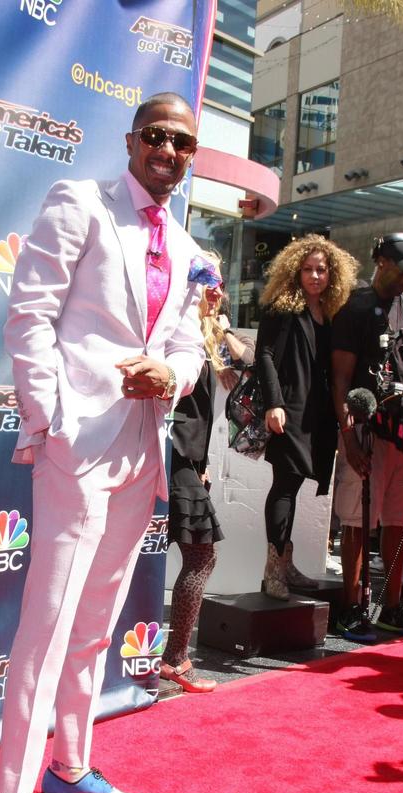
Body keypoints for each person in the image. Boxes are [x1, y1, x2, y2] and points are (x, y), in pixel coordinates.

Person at [0, 93, 205, 793]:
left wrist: (169, 372)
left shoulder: (184, 241)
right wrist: (55, 420)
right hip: (79, 444)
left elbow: (188, 344)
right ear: (133, 140)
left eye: (183, 142)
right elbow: (29, 316)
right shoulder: (81, 202)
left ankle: (71, 767)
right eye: (158, 137)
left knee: (98, 622)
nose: (169, 150)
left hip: (143, 447)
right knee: (47, 622)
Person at [332, 233, 403, 642]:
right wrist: (349, 438)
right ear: (380, 261)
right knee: (358, 522)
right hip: (366, 430)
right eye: (400, 269)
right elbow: (340, 380)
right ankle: (351, 607)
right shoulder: (355, 310)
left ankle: (392, 608)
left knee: (401, 520)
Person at [160, 256, 254, 693]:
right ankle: (174, 658)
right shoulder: (170, 324)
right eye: (205, 280)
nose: (215, 290)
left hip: (184, 456)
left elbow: (247, 363)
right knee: (200, 556)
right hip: (164, 451)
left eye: (218, 282)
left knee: (199, 556)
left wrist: (219, 324)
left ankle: (172, 657)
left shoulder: (205, 333)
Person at [256, 234, 359, 600]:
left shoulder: (330, 314)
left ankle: (284, 562)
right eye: (308, 269)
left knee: (295, 485)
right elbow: (264, 355)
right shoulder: (283, 308)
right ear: (294, 271)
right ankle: (274, 569)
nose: (315, 276)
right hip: (290, 409)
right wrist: (274, 403)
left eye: (321, 269)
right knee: (285, 484)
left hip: (317, 415)